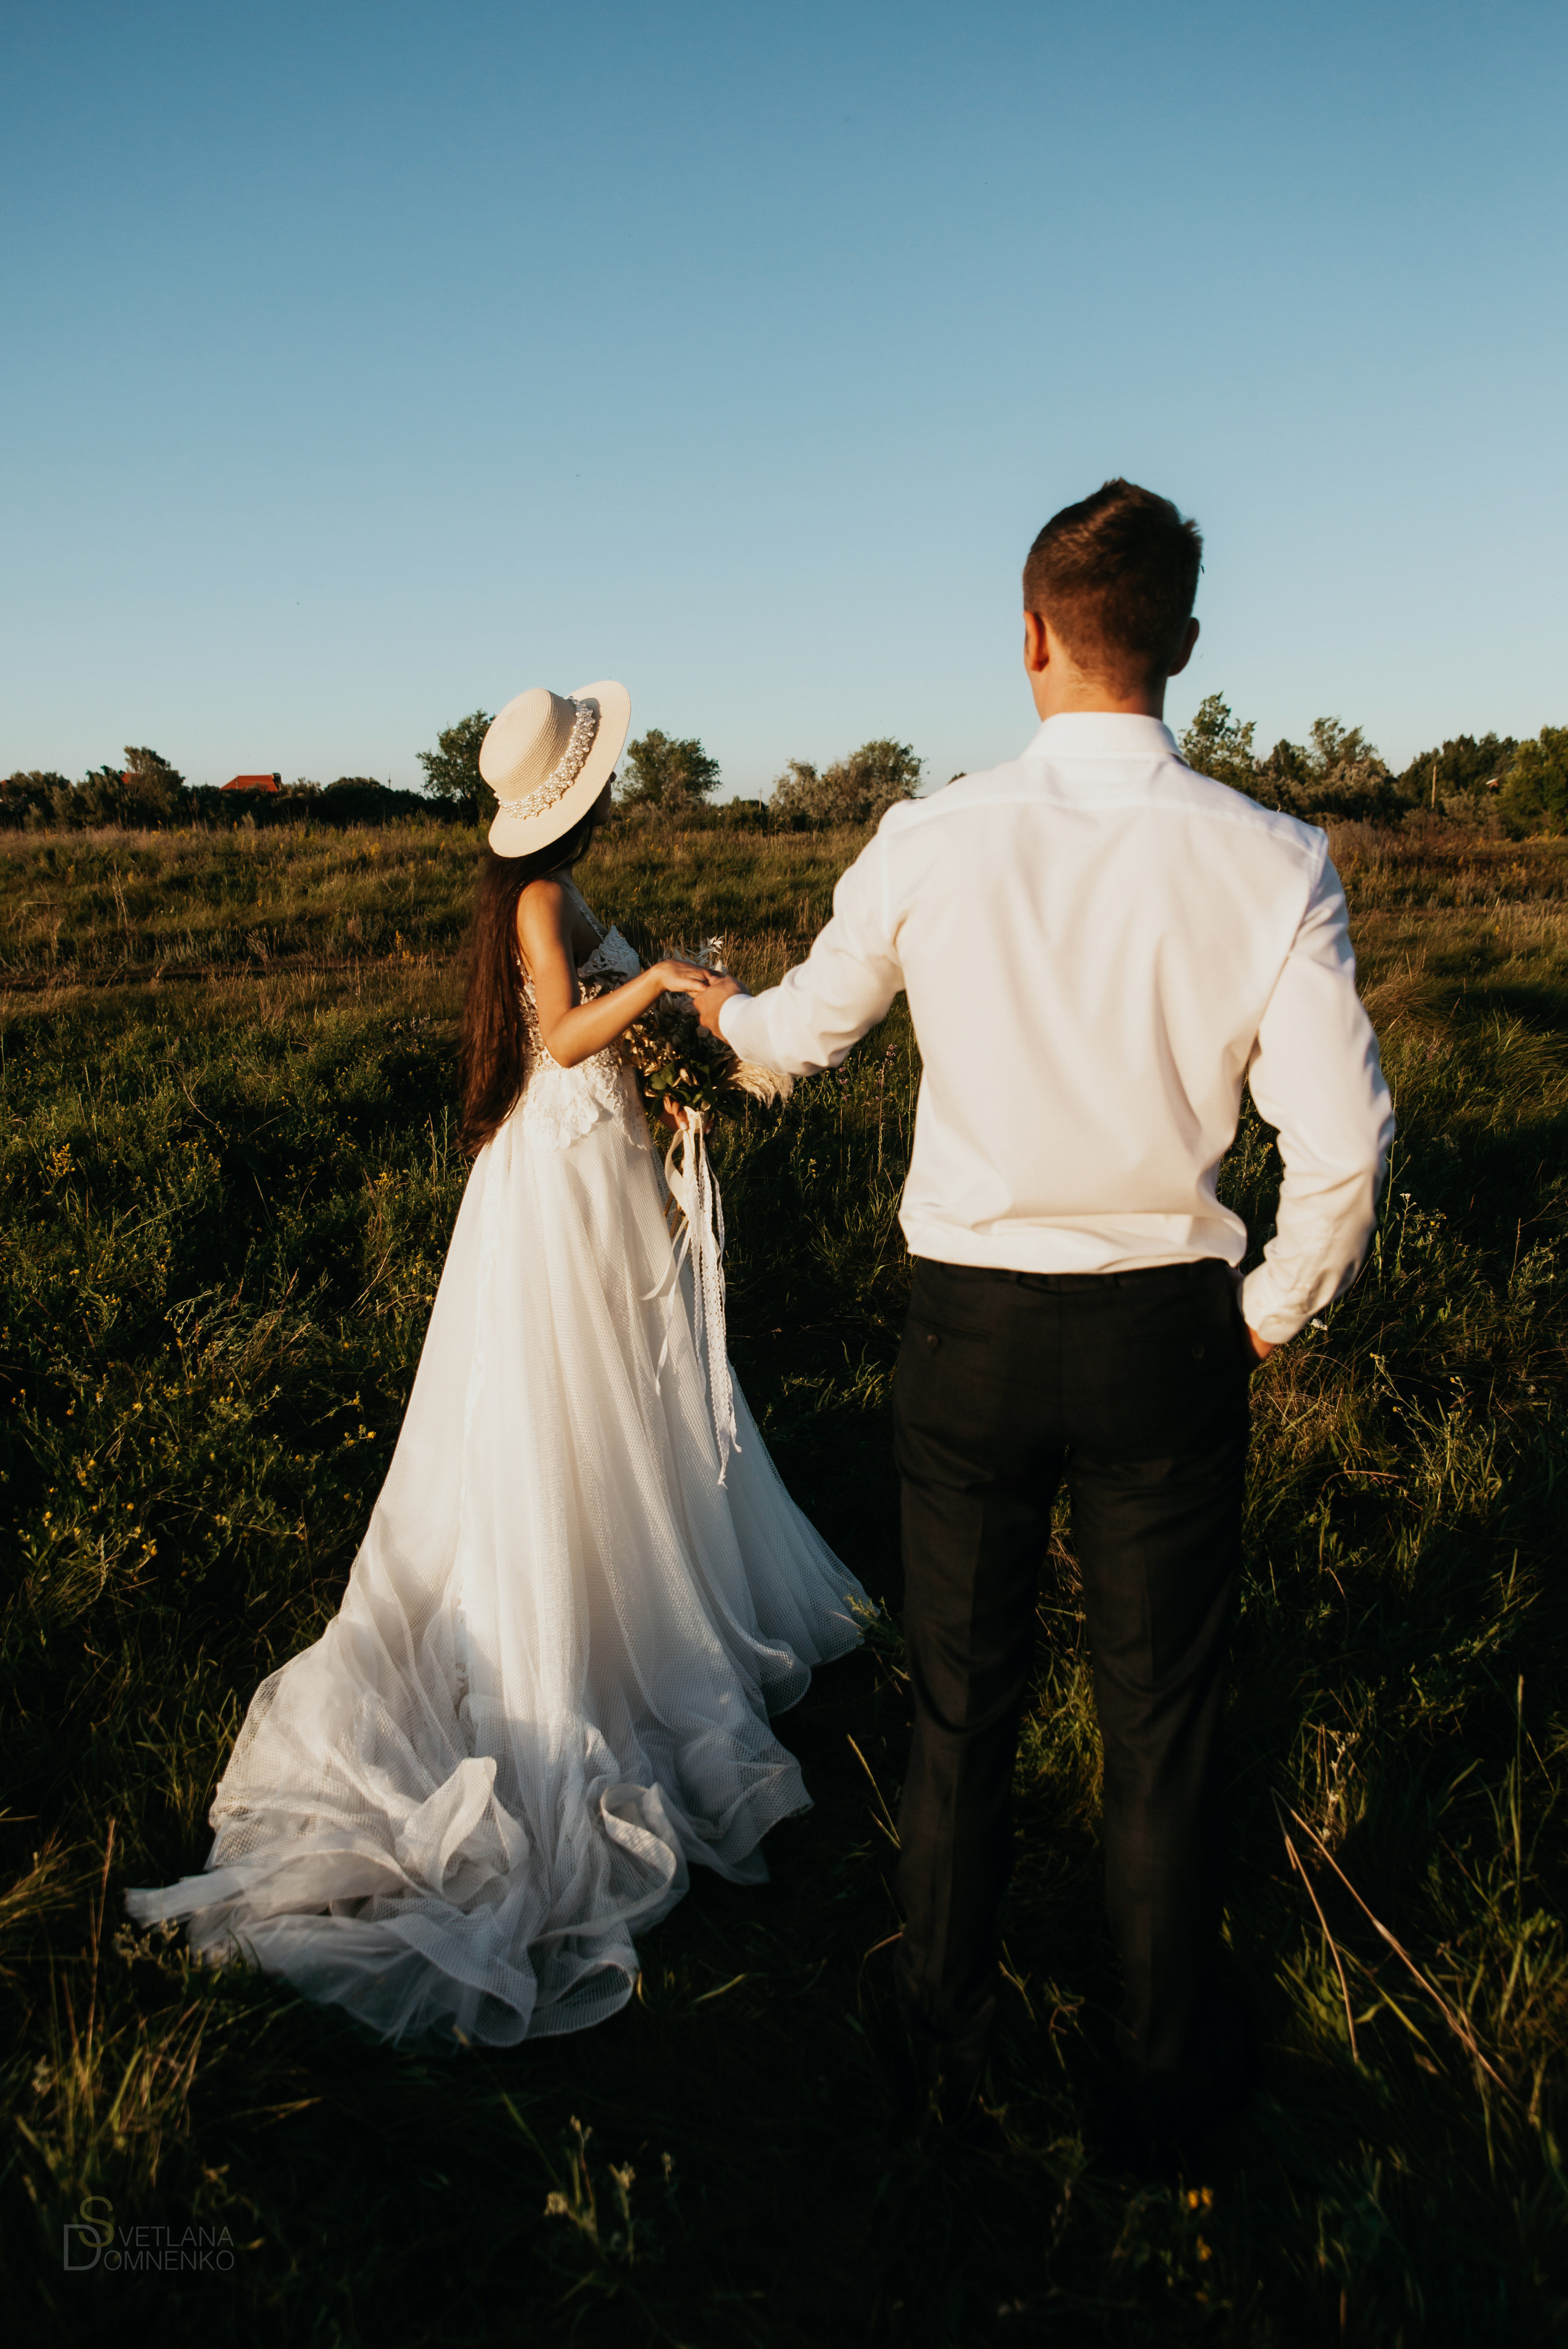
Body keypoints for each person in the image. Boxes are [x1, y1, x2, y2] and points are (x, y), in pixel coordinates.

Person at [693, 483, 1395, 2141]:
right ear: (1185, 646)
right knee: (1160, 1723)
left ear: (1027, 637)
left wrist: (718, 1009)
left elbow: (799, 1041)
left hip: (970, 1336)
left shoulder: (930, 837)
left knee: (962, 1703)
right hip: (1167, 1336)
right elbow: (1346, 1149)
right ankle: (1159, 2088)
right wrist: (1268, 1314)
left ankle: (939, 2045)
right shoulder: (1273, 859)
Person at [129, 680, 865, 2044]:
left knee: (625, 1398)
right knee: (563, 1402)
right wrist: (656, 986)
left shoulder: (556, 885)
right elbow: (565, 1034)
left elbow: (598, 1026)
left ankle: (643, 1576)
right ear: (572, 794)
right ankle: (578, 1619)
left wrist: (676, 1042)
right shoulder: (534, 899)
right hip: (559, 1182)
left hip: (599, 1167)